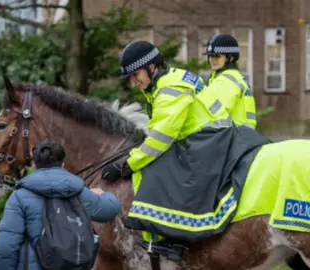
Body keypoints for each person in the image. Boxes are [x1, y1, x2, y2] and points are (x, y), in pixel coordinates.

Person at [101, 40, 268, 261]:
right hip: (211, 136)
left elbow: (160, 139)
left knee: (158, 169)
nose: (133, 82)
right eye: (130, 77)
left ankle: (170, 240)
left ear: (152, 67)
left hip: (209, 141)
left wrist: (127, 164)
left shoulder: (170, 89)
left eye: (136, 75)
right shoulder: (165, 82)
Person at [0, 140, 122, 270]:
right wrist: (103, 195)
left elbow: (6, 245)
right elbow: (110, 209)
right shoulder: (79, 191)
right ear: (63, 164)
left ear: (34, 165)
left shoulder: (19, 197)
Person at [203, 34, 257, 129]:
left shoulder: (226, 81)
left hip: (231, 138)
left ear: (230, 58)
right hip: (242, 136)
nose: (212, 59)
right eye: (210, 56)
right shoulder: (236, 78)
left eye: (217, 56)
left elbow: (214, 115)